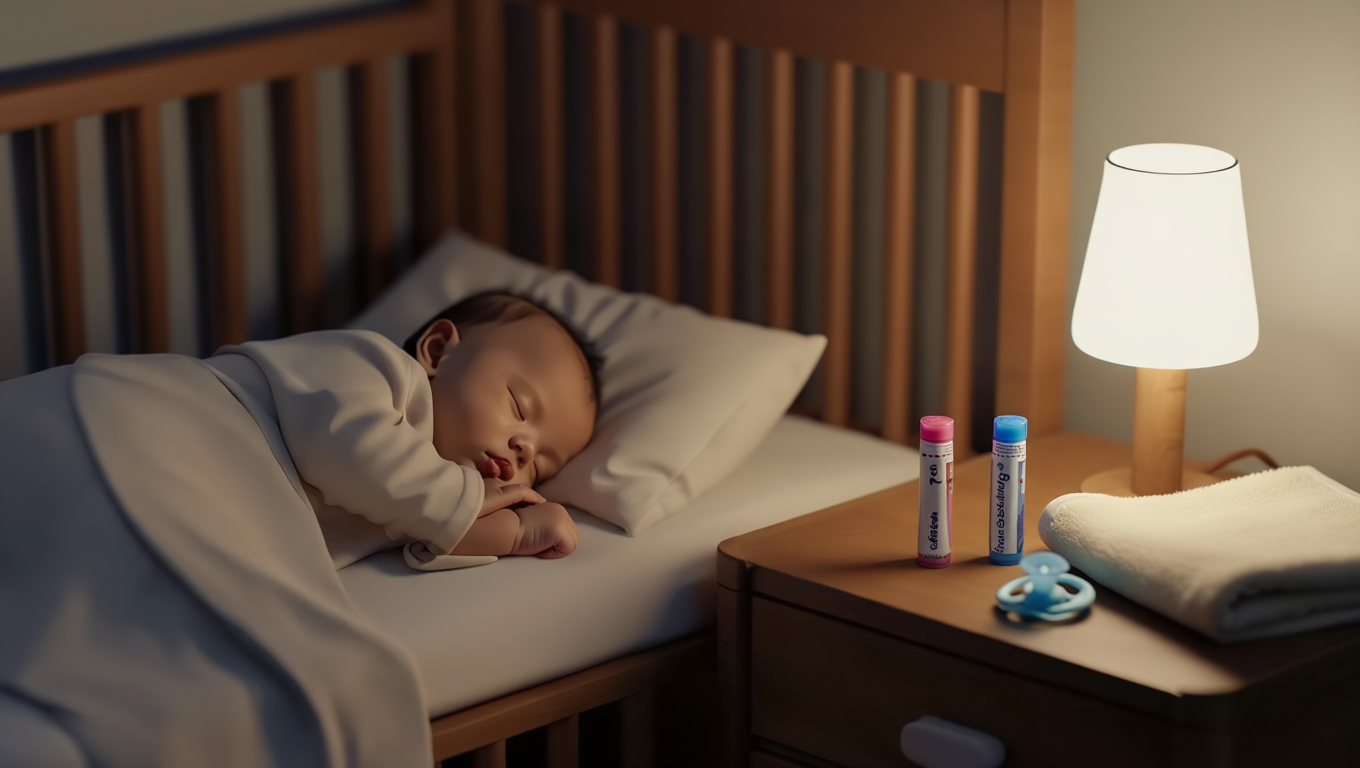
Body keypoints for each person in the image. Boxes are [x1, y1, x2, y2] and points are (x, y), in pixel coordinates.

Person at [207, 290, 601, 569]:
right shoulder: (373, 366)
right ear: (438, 351)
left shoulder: (415, 498)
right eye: (519, 405)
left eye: (541, 467)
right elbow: (349, 446)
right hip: (199, 419)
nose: (525, 450)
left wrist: (516, 532)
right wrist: (486, 515)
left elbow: (442, 534)